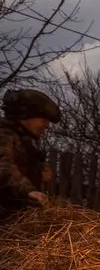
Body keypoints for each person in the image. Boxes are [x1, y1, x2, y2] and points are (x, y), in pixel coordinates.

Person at [0, 88, 61, 216]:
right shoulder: (4, 136)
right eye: (43, 120)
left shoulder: (23, 142)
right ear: (26, 115)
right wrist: (28, 191)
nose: (46, 125)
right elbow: (5, 168)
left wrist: (39, 170)